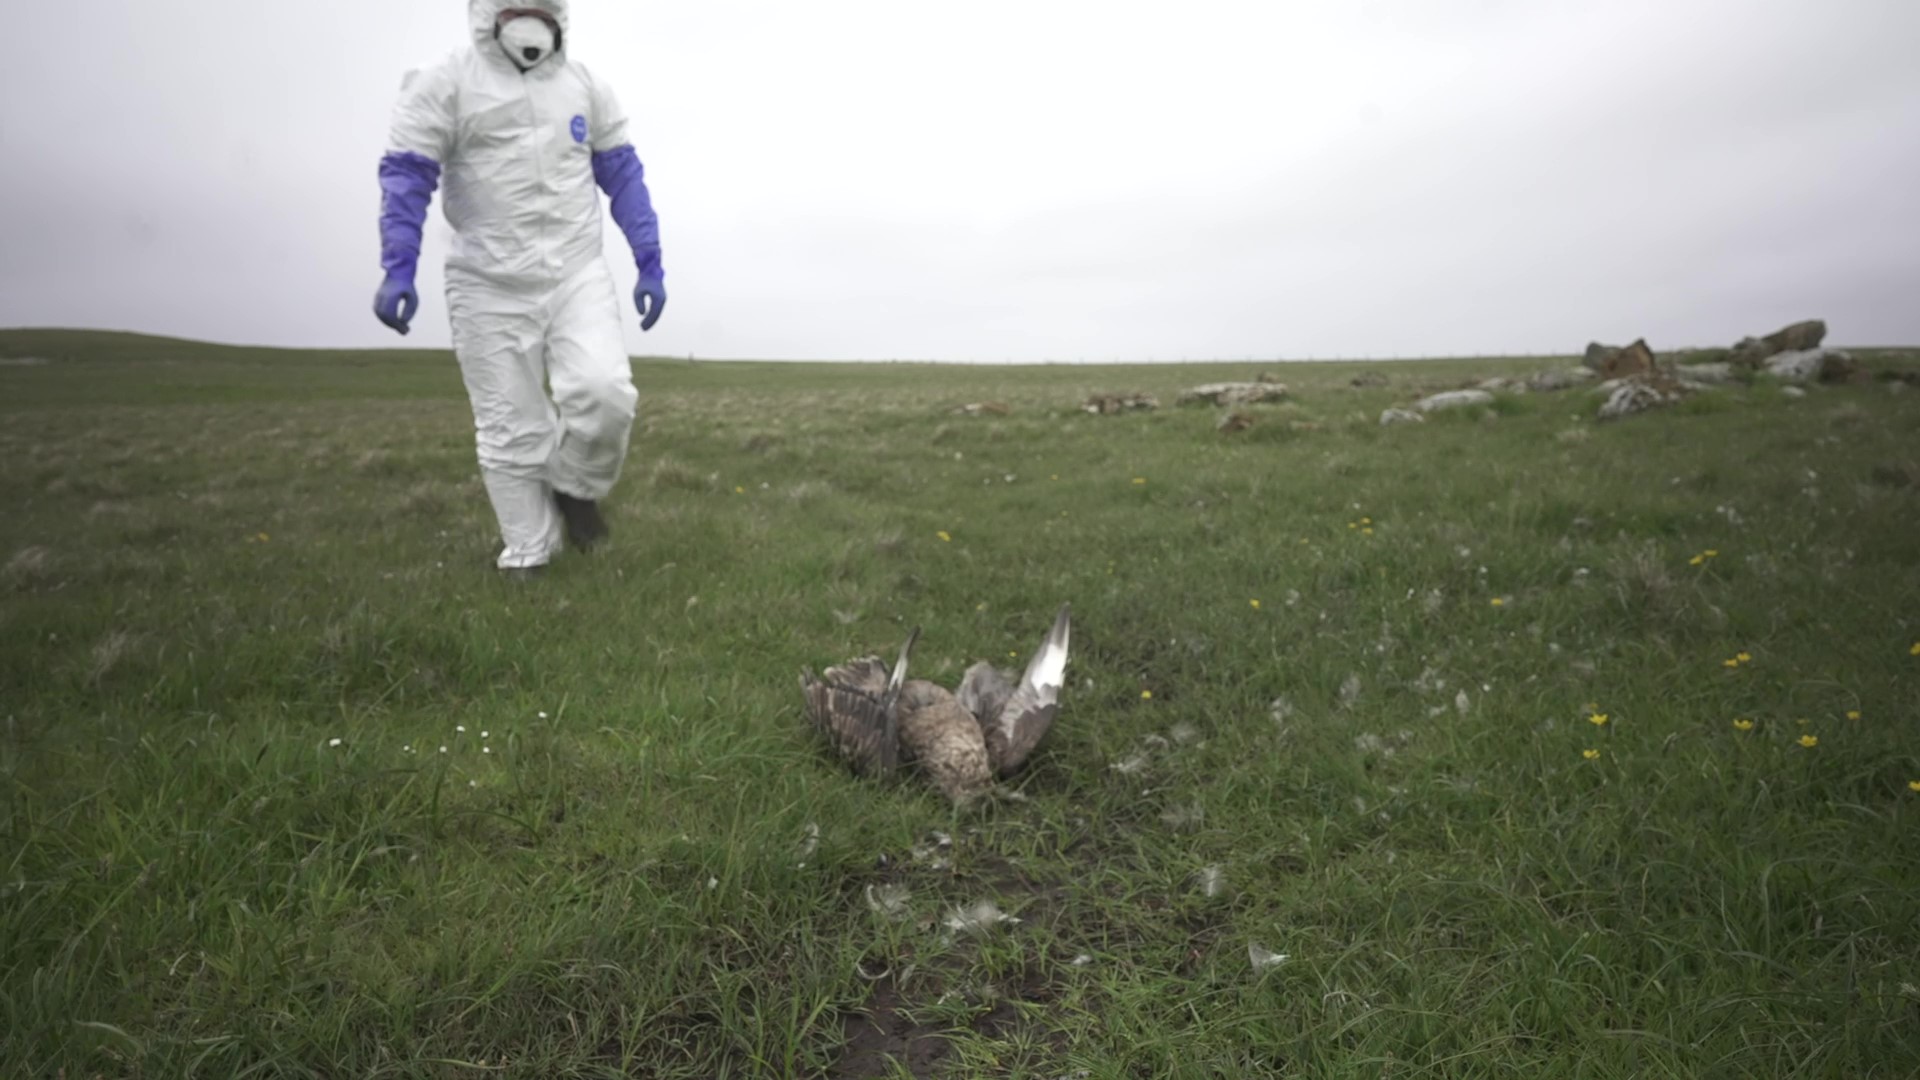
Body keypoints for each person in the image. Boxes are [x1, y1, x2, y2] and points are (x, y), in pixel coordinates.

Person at [372, 1, 666, 578]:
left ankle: (576, 487)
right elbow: (408, 171)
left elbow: (624, 173)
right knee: (512, 423)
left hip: (575, 271)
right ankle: (529, 554)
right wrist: (397, 264)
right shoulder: (445, 81)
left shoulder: (586, 88)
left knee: (605, 393)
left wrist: (648, 260)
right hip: (487, 282)